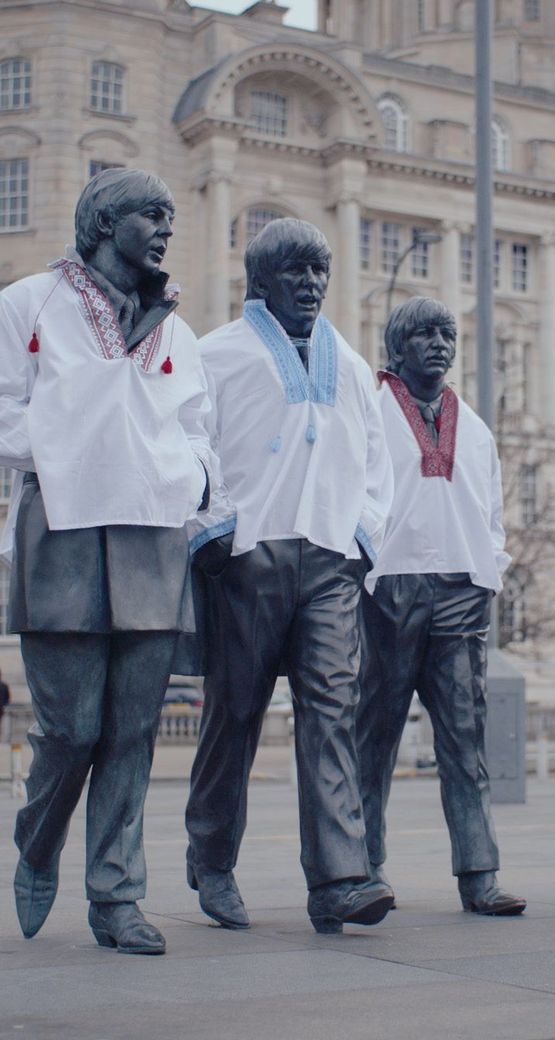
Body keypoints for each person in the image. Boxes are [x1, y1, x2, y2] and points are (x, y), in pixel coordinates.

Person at [1, 168, 213, 953]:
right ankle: (37, 838)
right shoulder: (27, 304)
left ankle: (116, 896)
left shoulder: (178, 330)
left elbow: (197, 426)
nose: (165, 229)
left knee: (133, 731)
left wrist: (189, 476)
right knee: (71, 730)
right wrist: (76, 449)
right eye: (149, 215)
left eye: (169, 215)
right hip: (62, 528)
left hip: (152, 536)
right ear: (101, 221)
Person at [185, 217, 395, 935]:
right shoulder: (216, 354)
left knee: (333, 712)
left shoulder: (354, 366)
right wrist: (215, 527)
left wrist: (362, 536)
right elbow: (192, 443)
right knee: (235, 712)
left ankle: (338, 880)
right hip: (250, 554)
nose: (310, 283)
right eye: (295, 270)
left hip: (331, 559)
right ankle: (213, 859)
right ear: (260, 280)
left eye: (318, 270)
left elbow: (377, 465)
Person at [356, 297, 525, 916]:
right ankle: (363, 868)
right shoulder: (370, 410)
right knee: (373, 737)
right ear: (397, 346)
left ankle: (480, 874)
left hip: (459, 590)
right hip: (389, 589)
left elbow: (492, 512)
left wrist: (489, 573)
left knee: (464, 739)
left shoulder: (474, 425)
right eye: (424, 334)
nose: (439, 344)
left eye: (447, 334)